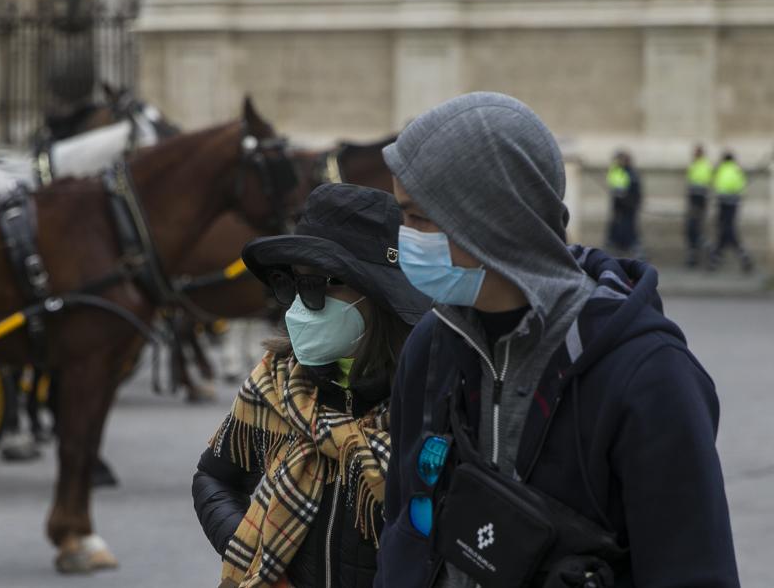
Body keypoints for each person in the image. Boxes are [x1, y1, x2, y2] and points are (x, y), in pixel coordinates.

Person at [374, 92, 739, 588]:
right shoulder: (431, 346)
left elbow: (693, 571)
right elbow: (404, 525)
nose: (405, 239)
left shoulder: (649, 376)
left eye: (418, 219)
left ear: (490, 221)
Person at [192, 184, 431, 588]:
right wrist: (255, 553)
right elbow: (212, 479)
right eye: (292, 284)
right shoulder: (276, 379)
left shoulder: (430, 394)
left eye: (321, 284)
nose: (301, 304)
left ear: (379, 296)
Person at [707, 152, 754, 274]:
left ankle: (716, 260)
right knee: (727, 230)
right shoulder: (737, 169)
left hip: (723, 203)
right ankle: (741, 257)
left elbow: (715, 184)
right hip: (734, 203)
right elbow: (743, 184)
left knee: (726, 230)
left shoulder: (721, 169)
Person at [605, 150, 642, 259]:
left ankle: (628, 247)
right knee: (617, 227)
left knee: (628, 227)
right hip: (619, 205)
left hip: (629, 205)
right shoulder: (617, 171)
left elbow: (636, 190)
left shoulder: (631, 173)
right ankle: (618, 247)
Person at [685, 145, 714, 267]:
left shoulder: (705, 166)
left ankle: (709, 250)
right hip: (693, 202)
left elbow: (703, 186)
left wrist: (697, 208)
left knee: (695, 230)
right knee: (691, 230)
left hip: (699, 202)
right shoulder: (694, 165)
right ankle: (694, 255)